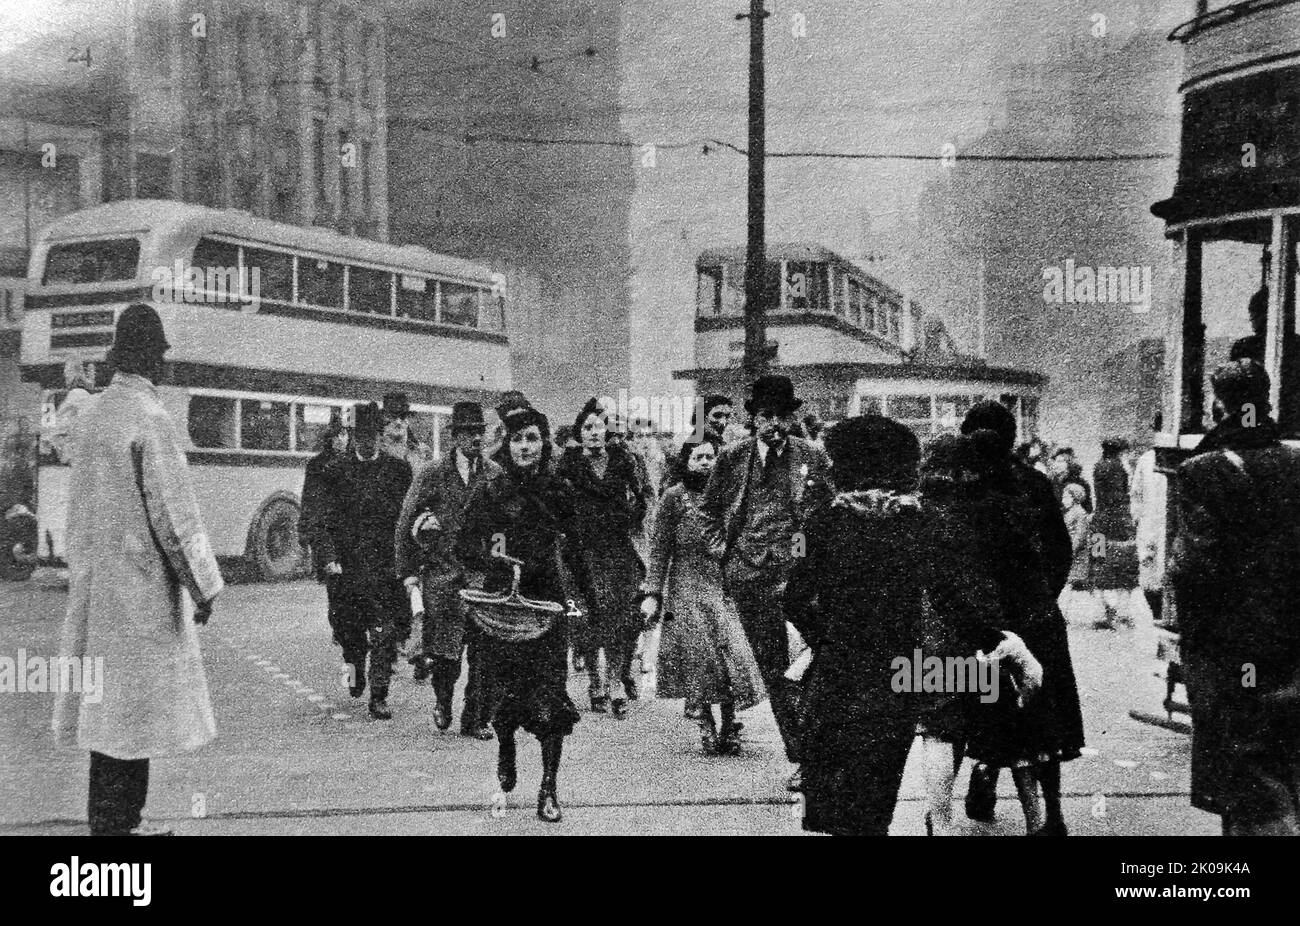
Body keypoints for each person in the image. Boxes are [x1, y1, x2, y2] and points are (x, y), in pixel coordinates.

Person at [51, 304, 224, 836]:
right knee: (136, 722)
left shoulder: (94, 415)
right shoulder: (151, 420)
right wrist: (204, 586)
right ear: (153, 358)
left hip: (95, 591)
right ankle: (121, 834)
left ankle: (108, 831)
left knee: (105, 724)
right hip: (140, 597)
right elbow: (174, 518)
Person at [1169, 359, 1300, 835]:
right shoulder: (1295, 462)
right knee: (1284, 762)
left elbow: (1192, 567)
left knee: (1241, 769)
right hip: (1289, 643)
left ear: (1218, 405)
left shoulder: (1203, 471)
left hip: (1230, 648)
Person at [783, 415, 925, 835]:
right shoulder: (920, 522)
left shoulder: (822, 522)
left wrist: (823, 637)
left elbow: (793, 598)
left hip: (839, 667)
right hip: (901, 669)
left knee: (836, 781)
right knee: (879, 785)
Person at [699, 374, 833, 792]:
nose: (774, 424)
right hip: (751, 576)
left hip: (801, 577)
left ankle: (817, 748)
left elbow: (829, 510)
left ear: (793, 418)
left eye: (782, 416)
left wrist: (813, 554)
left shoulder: (812, 455)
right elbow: (706, 513)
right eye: (765, 416)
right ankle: (803, 758)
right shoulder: (734, 458)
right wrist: (724, 550)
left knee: (815, 664)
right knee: (775, 670)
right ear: (753, 418)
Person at [958, 401, 1083, 836]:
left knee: (983, 709)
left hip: (984, 624)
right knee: (1044, 720)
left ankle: (984, 779)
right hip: (1036, 620)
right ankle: (1051, 813)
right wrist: (1042, 599)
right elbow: (1060, 551)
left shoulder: (962, 487)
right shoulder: (1035, 483)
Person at [916, 433, 1045, 836]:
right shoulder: (997, 510)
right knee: (1012, 725)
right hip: (995, 630)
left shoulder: (918, 516)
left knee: (940, 728)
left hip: (937, 632)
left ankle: (940, 821)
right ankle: (1037, 821)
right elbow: (1029, 568)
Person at [455, 405, 579, 822]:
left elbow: (578, 547)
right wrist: (500, 558)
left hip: (546, 605)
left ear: (544, 444)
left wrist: (584, 599)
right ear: (507, 444)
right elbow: (466, 542)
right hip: (502, 605)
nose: (525, 447)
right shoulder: (492, 489)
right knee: (505, 696)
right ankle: (506, 747)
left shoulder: (559, 489)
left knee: (551, 697)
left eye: (532, 438)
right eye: (517, 439)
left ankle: (549, 787)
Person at [641, 438, 766, 754]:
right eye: (699, 457)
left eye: (712, 456)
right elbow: (660, 549)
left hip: (724, 584)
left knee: (732, 656)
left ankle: (730, 723)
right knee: (701, 659)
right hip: (686, 586)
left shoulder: (729, 497)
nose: (707, 462)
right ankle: (707, 724)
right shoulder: (674, 498)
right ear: (686, 462)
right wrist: (652, 591)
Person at [395, 402, 499, 738]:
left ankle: (476, 718)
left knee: (483, 654)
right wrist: (408, 572)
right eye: (467, 432)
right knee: (446, 654)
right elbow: (405, 523)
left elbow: (503, 527)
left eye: (478, 431)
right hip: (442, 577)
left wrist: (499, 561)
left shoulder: (495, 474)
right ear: (454, 437)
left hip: (482, 578)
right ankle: (443, 700)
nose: (474, 438)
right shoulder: (432, 473)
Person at [317, 402, 413, 719]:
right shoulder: (334, 471)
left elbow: (406, 519)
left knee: (386, 632)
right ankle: (353, 676)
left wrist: (410, 562)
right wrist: (330, 558)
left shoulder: (398, 471)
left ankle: (379, 696)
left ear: (380, 436)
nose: (366, 441)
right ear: (352, 435)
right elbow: (324, 523)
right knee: (349, 635)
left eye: (371, 435)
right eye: (360, 435)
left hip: (386, 567)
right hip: (347, 569)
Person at [556, 398, 649, 717]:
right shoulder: (568, 463)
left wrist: (631, 517)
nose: (594, 432)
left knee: (620, 616)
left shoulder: (623, 459)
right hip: (582, 550)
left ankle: (615, 682)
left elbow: (641, 496)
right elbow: (557, 501)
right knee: (586, 618)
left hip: (616, 547)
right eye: (587, 427)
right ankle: (596, 682)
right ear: (579, 432)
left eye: (599, 427)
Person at [300, 413, 349, 656]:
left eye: (345, 435)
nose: (342, 439)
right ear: (330, 438)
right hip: (327, 533)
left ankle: (347, 627)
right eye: (339, 435)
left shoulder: (351, 462)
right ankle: (338, 627)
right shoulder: (317, 465)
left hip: (347, 533)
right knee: (334, 583)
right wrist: (305, 532)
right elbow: (309, 500)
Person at [1090, 438, 1137, 629]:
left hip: (1099, 524)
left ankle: (1104, 612)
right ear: (1120, 451)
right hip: (1117, 526)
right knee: (1119, 567)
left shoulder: (1098, 466)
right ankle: (1118, 613)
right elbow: (1120, 495)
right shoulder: (1118, 468)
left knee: (1098, 561)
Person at [1129, 417, 1168, 626]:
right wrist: (1137, 520)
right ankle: (1157, 616)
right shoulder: (1146, 460)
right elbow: (1136, 495)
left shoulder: (1181, 459)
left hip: (1167, 526)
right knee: (1148, 578)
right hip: (1149, 525)